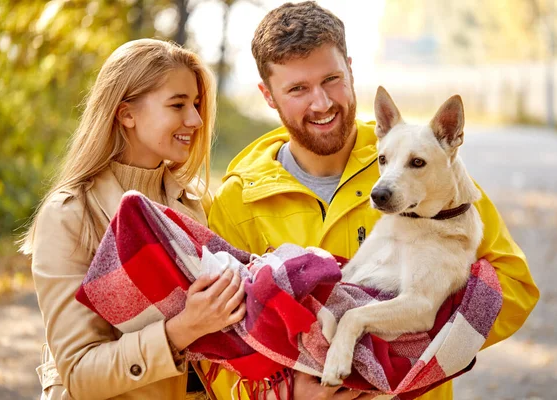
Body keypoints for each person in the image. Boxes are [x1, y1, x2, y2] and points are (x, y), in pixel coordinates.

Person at [208, 2, 540, 400]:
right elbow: (218, 346)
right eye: (297, 88)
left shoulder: (426, 167)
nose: (322, 103)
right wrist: (285, 393)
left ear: (350, 70)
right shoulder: (237, 201)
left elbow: (515, 286)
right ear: (268, 95)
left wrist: (408, 348)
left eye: (331, 79)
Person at [20, 39, 247, 400]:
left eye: (197, 104)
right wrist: (181, 330)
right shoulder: (70, 215)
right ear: (126, 114)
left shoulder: (194, 204)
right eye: (178, 104)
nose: (196, 120)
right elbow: (79, 373)